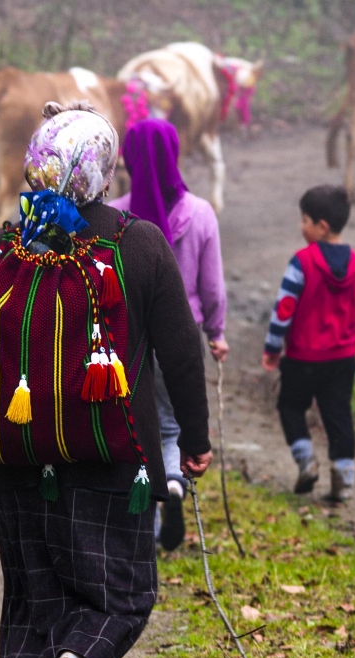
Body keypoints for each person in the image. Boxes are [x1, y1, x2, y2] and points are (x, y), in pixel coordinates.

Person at [0, 102, 212, 658]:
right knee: (124, 592)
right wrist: (195, 437)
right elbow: (182, 354)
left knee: (34, 596)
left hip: (15, 460)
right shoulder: (138, 243)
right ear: (105, 174)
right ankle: (83, 657)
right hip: (109, 454)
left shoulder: (4, 247)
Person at [107, 118, 227, 551]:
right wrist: (216, 332)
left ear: (129, 159)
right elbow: (212, 286)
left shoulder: (117, 217)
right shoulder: (200, 214)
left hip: (131, 337)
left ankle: (143, 512)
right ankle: (174, 485)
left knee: (138, 421)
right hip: (183, 337)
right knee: (175, 425)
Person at [261, 185, 355, 502]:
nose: (301, 225)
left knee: (291, 407)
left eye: (305, 220)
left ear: (321, 226)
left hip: (302, 357)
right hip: (342, 358)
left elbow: (283, 311)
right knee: (338, 414)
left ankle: (306, 461)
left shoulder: (301, 262)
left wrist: (272, 349)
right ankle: (343, 479)